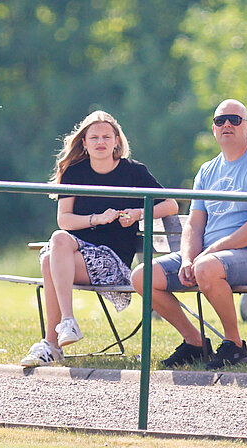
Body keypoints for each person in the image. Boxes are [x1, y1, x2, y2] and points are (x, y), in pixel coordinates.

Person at [134, 99, 247, 370]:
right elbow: (194, 225)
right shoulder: (207, 170)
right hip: (209, 258)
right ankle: (195, 343)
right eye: (220, 121)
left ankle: (235, 346)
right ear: (214, 130)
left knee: (206, 267)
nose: (227, 124)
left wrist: (209, 253)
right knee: (141, 276)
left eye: (234, 119)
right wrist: (187, 259)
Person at [19, 111, 178, 367]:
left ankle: (51, 343)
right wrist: (97, 218)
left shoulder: (134, 172)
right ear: (84, 142)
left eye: (106, 136)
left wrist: (139, 213)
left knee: (50, 260)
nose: (100, 142)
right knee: (58, 240)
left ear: (117, 141)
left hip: (112, 261)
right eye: (94, 137)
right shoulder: (74, 171)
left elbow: (171, 205)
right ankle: (67, 323)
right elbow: (65, 220)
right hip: (74, 251)